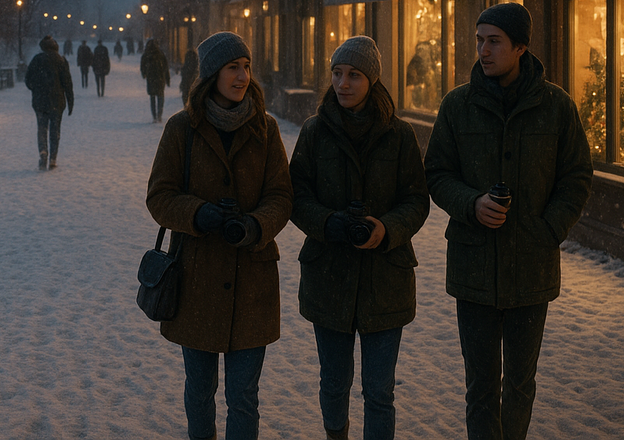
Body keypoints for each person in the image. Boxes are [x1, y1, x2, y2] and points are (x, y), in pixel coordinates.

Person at [424, 2, 593, 440]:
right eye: (479, 40)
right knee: (480, 386)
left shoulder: (556, 107)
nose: (483, 50)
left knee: (520, 383)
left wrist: (548, 229)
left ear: (520, 47)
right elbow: (436, 173)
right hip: (474, 268)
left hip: (531, 266)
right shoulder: (457, 105)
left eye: (494, 41)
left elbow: (576, 175)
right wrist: (471, 203)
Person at [146, 31, 293, 440]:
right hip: (197, 282)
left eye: (246, 66)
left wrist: (255, 225)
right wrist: (199, 214)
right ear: (212, 74)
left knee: (243, 396)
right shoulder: (182, 129)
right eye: (232, 67)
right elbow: (159, 196)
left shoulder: (266, 129)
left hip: (252, 284)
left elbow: (282, 196)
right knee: (200, 390)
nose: (243, 76)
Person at [290, 36, 430, 440]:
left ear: (372, 80)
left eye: (353, 75)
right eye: (337, 73)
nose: (343, 83)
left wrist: (387, 228)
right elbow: (295, 196)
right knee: (334, 383)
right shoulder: (315, 132)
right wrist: (329, 223)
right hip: (328, 278)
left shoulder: (399, 135)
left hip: (385, 281)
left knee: (379, 391)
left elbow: (416, 199)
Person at [24, 35, 74, 170]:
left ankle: (43, 152)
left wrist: (35, 89)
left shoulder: (37, 60)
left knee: (42, 128)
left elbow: (28, 79)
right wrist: (70, 101)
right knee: (55, 129)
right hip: (57, 101)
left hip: (40, 101)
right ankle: (53, 158)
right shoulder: (61, 60)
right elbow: (67, 83)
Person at [140, 39, 171, 123]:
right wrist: (167, 79)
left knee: (152, 98)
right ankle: (159, 115)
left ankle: (154, 116)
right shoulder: (160, 54)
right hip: (160, 78)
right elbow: (165, 67)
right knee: (160, 97)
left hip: (151, 79)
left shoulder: (146, 54)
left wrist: (144, 73)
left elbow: (142, 65)